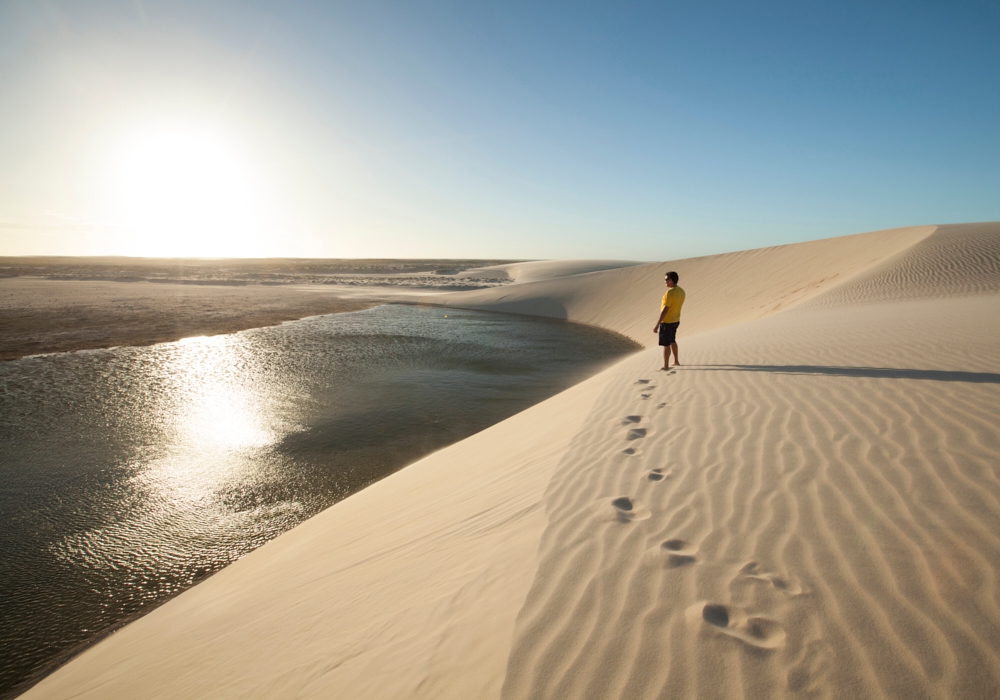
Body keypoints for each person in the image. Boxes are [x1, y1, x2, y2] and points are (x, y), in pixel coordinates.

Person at [653, 271, 685, 370]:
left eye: (666, 279)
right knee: (672, 341)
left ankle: (666, 366)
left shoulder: (669, 293)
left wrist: (657, 324)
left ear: (671, 281)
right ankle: (676, 361)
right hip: (676, 320)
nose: (665, 281)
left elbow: (665, 310)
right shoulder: (681, 291)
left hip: (667, 321)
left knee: (666, 344)